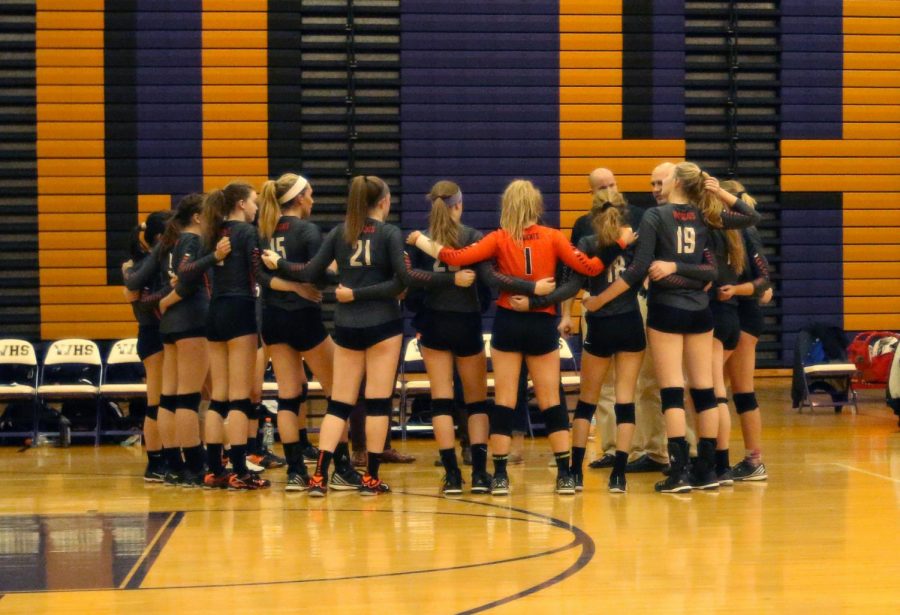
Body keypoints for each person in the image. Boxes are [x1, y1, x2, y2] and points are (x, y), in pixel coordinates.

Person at [409, 179, 621, 496]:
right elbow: (589, 269)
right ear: (537, 205)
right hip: (541, 323)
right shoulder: (552, 237)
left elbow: (455, 258)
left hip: (508, 320)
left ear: (507, 206)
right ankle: (565, 474)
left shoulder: (497, 238)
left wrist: (420, 241)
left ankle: (500, 475)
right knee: (551, 399)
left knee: (505, 401)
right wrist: (617, 245)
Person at [586, 162, 761, 492]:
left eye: (660, 180)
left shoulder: (656, 216)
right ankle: (707, 471)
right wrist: (720, 192)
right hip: (700, 313)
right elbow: (750, 219)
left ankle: (679, 471)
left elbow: (638, 269)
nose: (656, 186)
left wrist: (600, 298)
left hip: (667, 310)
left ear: (675, 182)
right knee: (705, 391)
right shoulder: (703, 215)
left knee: (672, 393)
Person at [262, 175, 421, 496]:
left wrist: (280, 262)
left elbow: (309, 273)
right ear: (384, 202)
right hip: (382, 324)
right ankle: (370, 478)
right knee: (377, 403)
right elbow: (403, 282)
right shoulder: (390, 234)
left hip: (346, 326)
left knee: (339, 403)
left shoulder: (338, 233)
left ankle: (318, 476)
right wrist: (361, 294)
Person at [406, 180, 543, 495]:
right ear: (459, 205)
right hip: (466, 322)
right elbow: (486, 283)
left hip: (433, 323)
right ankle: (480, 474)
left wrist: (424, 308)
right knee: (476, 401)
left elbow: (412, 285)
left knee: (441, 399)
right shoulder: (472, 237)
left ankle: (453, 476)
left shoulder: (419, 240)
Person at [256, 172, 359, 491]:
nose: (313, 199)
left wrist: (288, 284)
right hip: (303, 319)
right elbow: (322, 275)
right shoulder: (307, 230)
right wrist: (313, 283)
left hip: (272, 319)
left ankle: (296, 472)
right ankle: (341, 466)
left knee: (288, 395)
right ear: (299, 198)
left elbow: (258, 275)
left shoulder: (264, 232)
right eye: (310, 194)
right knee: (337, 393)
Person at [174, 181, 269, 490]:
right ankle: (240, 469)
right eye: (254, 201)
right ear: (241, 204)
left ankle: (215, 469)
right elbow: (261, 273)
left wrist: (213, 257)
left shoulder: (212, 233)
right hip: (240, 309)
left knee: (219, 397)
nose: (256, 207)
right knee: (240, 397)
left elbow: (185, 271)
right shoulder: (247, 233)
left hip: (214, 313)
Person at [720, 180, 772, 481]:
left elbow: (763, 281)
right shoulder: (721, 229)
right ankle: (714, 455)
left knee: (741, 390)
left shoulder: (745, 231)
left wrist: (737, 289)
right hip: (732, 314)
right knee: (717, 390)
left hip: (744, 317)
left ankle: (754, 461)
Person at [122, 210, 172, 482]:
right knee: (156, 402)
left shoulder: (159, 263)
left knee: (171, 401)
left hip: (163, 335)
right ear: (161, 238)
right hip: (152, 335)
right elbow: (138, 301)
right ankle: (154, 462)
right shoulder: (141, 266)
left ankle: (172, 455)